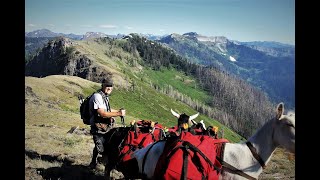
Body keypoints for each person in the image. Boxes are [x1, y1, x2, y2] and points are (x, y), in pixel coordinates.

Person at [88, 77, 126, 169]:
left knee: (104, 146)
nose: (109, 88)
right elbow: (102, 113)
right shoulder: (97, 96)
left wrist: (117, 111)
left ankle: (94, 163)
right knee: (101, 148)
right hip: (98, 127)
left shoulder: (104, 96)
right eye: (107, 85)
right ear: (103, 85)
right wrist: (118, 113)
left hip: (105, 126)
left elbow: (107, 110)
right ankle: (102, 166)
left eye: (111, 86)